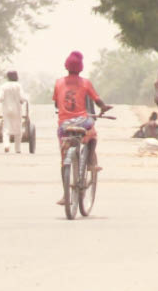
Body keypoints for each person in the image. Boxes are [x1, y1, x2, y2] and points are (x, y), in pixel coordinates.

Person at [53, 51, 112, 205]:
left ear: (66, 66)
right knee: (93, 135)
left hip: (64, 125)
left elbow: (56, 104)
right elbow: (98, 101)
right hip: (82, 122)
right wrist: (104, 108)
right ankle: (91, 162)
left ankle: (66, 195)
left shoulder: (59, 83)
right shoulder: (85, 83)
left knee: (64, 159)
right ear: (81, 68)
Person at [0, 70, 27, 153]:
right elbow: (22, 98)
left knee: (6, 128)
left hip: (6, 110)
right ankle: (18, 149)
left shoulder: (4, 86)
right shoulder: (18, 86)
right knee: (18, 129)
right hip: (17, 110)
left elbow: (0, 98)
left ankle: (6, 145)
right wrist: (23, 100)